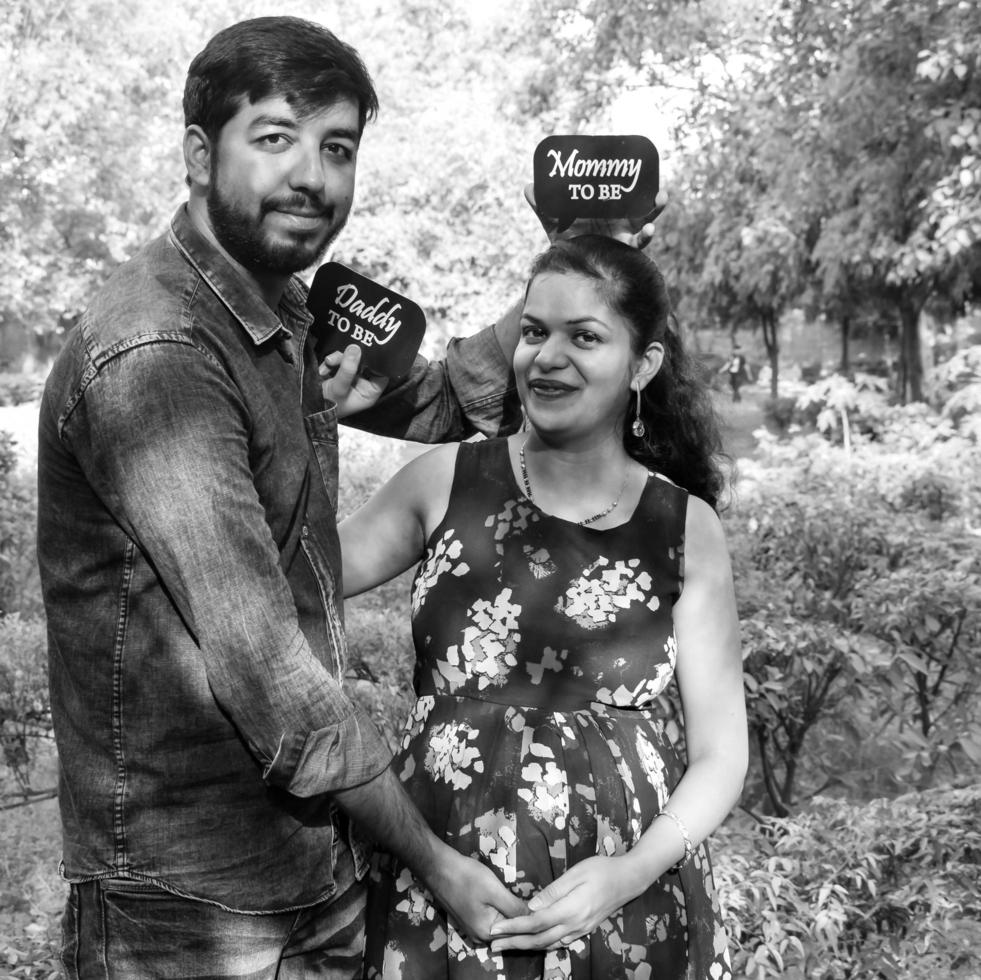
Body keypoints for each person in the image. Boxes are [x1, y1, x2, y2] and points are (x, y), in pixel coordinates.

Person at [36, 16, 538, 979]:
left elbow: (444, 401)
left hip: (309, 869)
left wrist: (562, 259)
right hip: (186, 905)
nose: (310, 174)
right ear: (197, 153)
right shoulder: (160, 357)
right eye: (274, 138)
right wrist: (431, 858)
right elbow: (270, 677)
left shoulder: (284, 313)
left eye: (336, 147)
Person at [339, 235, 748, 979]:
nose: (546, 357)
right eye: (534, 332)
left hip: (626, 911)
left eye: (583, 337)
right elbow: (283, 576)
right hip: (443, 890)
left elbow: (722, 756)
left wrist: (626, 875)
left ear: (642, 366)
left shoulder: (684, 528)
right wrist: (309, 418)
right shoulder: (443, 483)